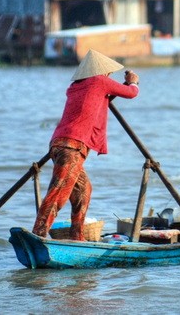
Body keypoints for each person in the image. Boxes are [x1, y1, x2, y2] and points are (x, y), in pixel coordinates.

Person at [32, 49, 139, 240]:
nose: (108, 76)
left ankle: (77, 236)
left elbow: (98, 100)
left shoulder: (77, 87)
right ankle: (38, 233)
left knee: (83, 189)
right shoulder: (100, 81)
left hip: (59, 144)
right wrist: (133, 81)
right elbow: (131, 93)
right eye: (108, 73)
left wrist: (119, 86)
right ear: (102, 72)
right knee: (59, 192)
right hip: (72, 146)